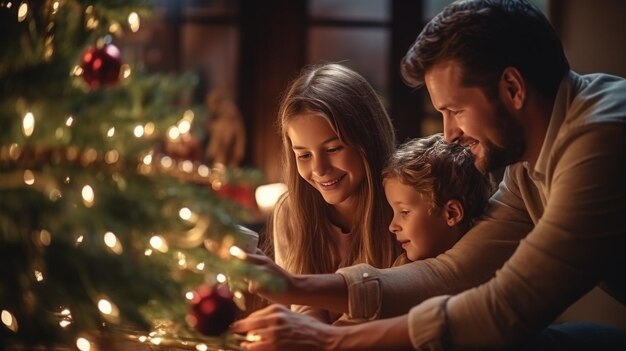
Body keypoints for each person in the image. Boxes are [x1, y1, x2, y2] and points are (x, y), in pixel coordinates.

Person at [231, 0, 626, 350]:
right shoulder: (526, 163)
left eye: (454, 109)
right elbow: (450, 271)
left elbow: (505, 308)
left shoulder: (601, 140)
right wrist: (296, 286)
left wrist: (330, 339)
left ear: (512, 88)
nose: (450, 132)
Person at [266, 63, 400, 323]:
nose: (319, 169)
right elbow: (304, 308)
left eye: (333, 149)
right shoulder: (290, 211)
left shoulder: (403, 206)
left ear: (368, 140)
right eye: (303, 155)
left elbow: (391, 310)